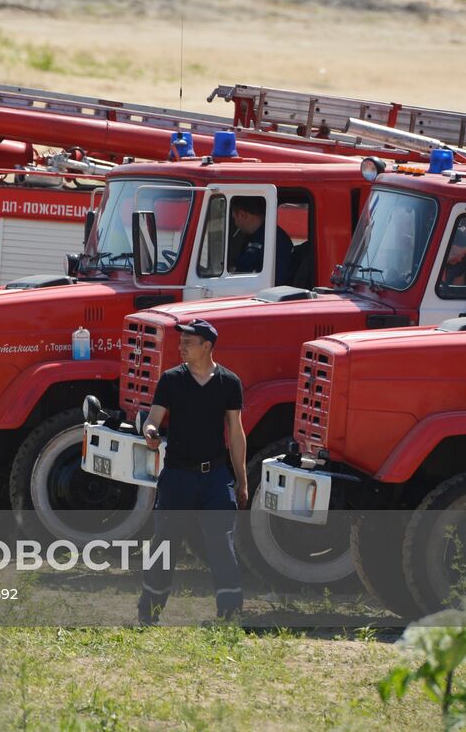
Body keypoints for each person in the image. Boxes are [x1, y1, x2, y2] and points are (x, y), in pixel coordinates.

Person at [137, 318, 247, 625]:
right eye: (181, 341)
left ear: (207, 346)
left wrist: (241, 479)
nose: (181, 346)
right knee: (165, 544)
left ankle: (230, 614)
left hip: (215, 477)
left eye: (188, 342)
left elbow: (236, 433)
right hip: (177, 476)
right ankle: (149, 612)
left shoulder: (229, 382)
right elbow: (153, 419)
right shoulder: (171, 380)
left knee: (221, 544)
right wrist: (149, 432)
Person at [229, 197, 294, 285]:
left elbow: (278, 281)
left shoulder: (276, 239)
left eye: (234, 219)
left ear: (242, 215)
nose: (235, 223)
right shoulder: (249, 238)